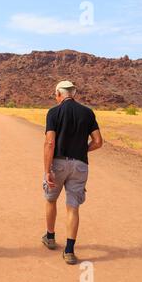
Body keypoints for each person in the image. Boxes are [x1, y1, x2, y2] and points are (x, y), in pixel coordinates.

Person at [42, 81, 103, 265]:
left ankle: (50, 237)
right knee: (73, 207)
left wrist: (47, 171)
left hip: (58, 163)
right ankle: (69, 251)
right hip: (80, 165)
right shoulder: (87, 112)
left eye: (55, 95)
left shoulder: (53, 112)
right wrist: (82, 150)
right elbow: (98, 141)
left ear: (59, 94)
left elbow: (50, 143)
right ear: (73, 94)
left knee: (51, 199)